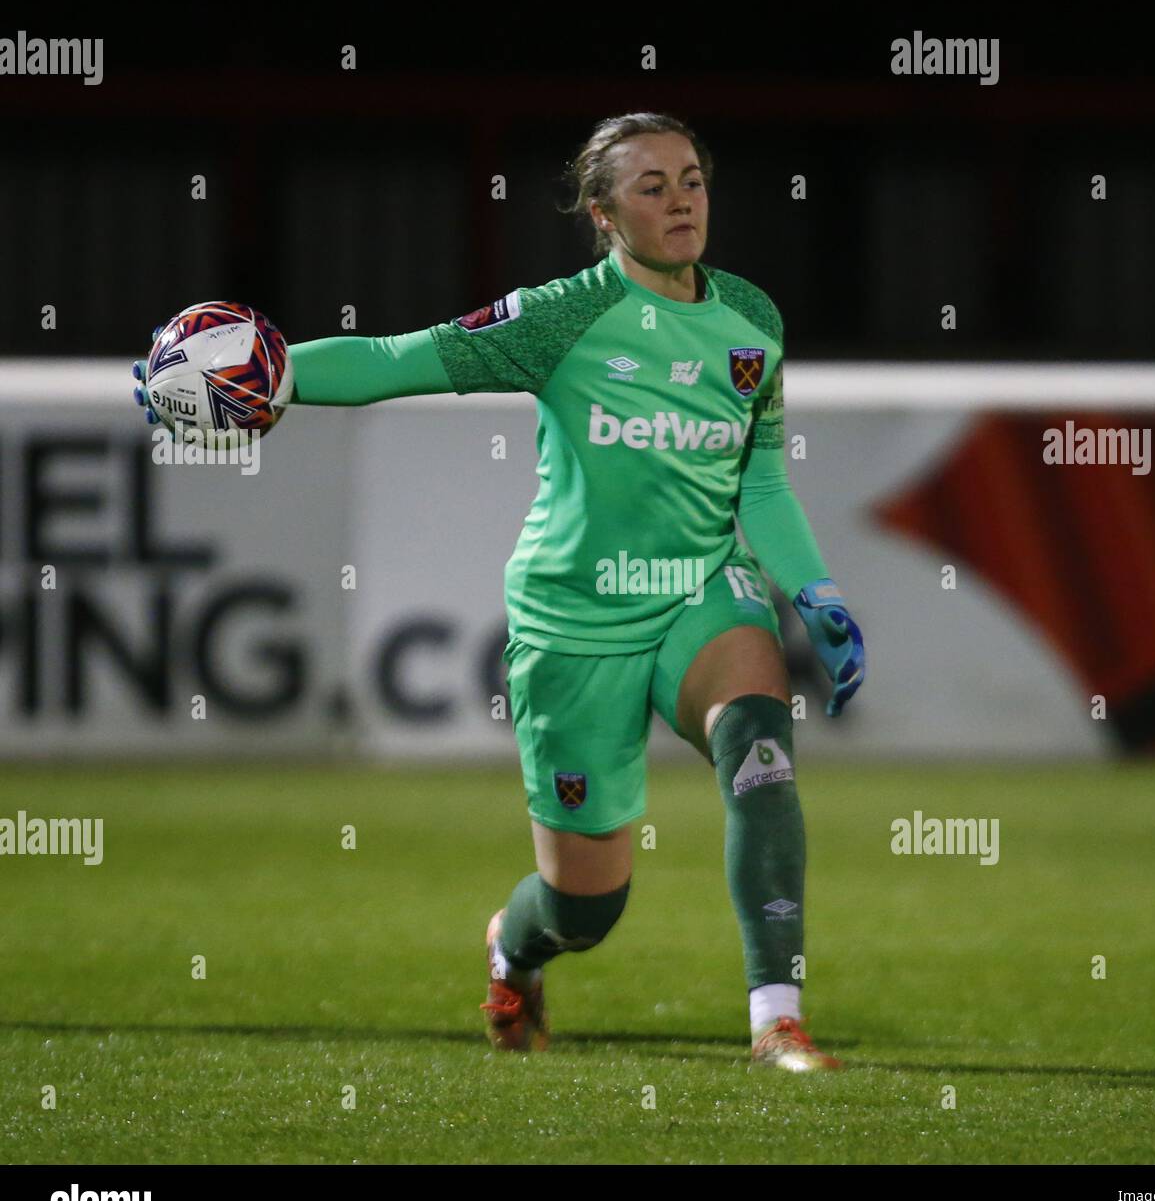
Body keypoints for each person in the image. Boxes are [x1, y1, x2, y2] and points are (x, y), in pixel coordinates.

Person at [133, 112, 865, 1072]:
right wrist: (266, 376)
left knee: (760, 750)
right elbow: (402, 357)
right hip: (575, 618)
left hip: (700, 589)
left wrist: (812, 589)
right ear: (603, 215)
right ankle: (515, 950)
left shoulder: (751, 320)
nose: (682, 198)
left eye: (691, 178)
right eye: (651, 186)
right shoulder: (562, 317)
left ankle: (777, 1019)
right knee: (586, 907)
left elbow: (759, 482)